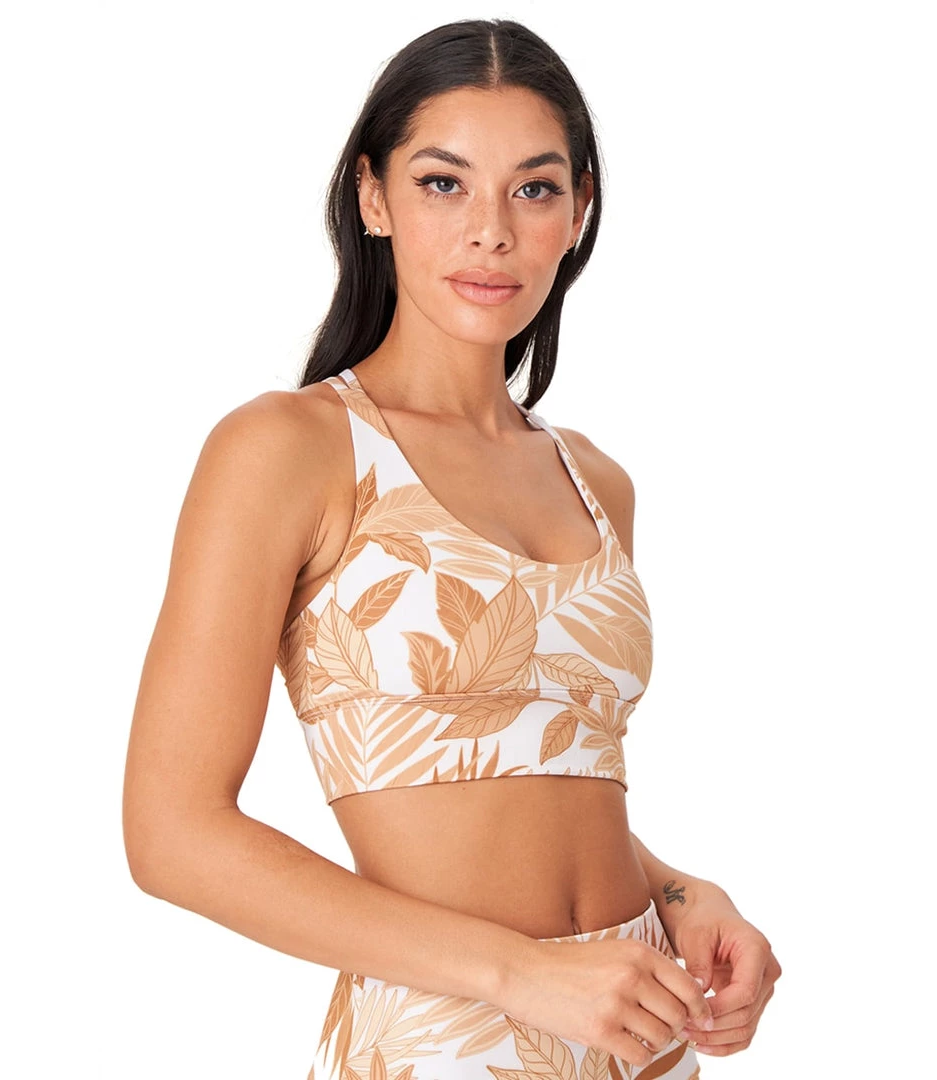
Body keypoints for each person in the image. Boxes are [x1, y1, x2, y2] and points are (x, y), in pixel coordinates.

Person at [123, 18, 780, 1079]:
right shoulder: (289, 450)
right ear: (372, 197)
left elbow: (531, 769)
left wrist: (678, 892)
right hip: (442, 1044)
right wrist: (521, 974)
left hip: (640, 1035)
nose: (491, 233)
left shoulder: (594, 479)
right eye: (442, 183)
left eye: (533, 189)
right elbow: (172, 836)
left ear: (578, 211)